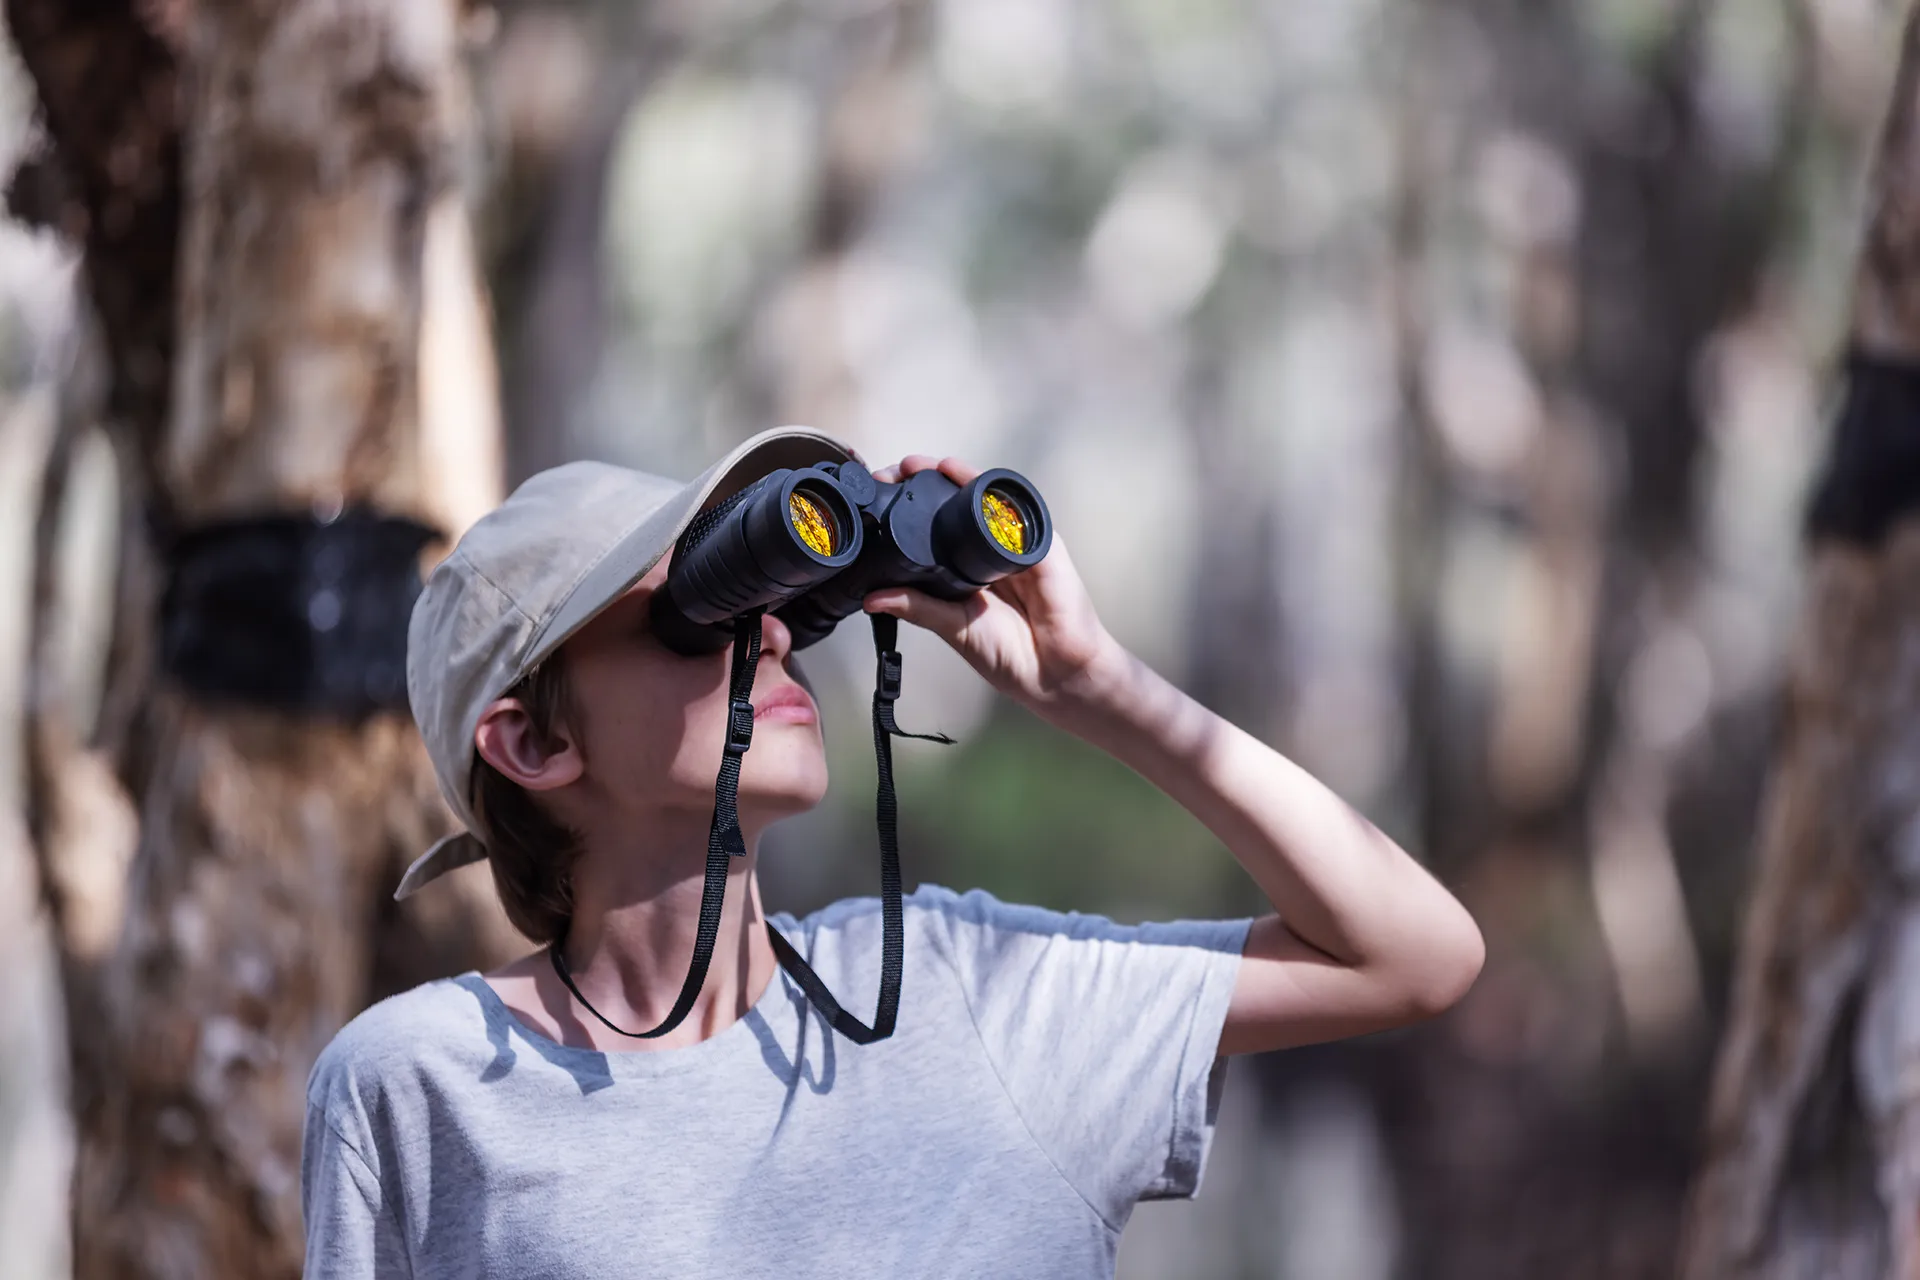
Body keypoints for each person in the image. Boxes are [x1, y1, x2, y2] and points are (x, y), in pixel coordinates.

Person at [300, 428, 1484, 1279]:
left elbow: (1413, 954)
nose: (770, 629)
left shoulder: (973, 996)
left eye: (774, 598)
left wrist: (1100, 690)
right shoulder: (417, 1084)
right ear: (536, 740)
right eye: (692, 614)